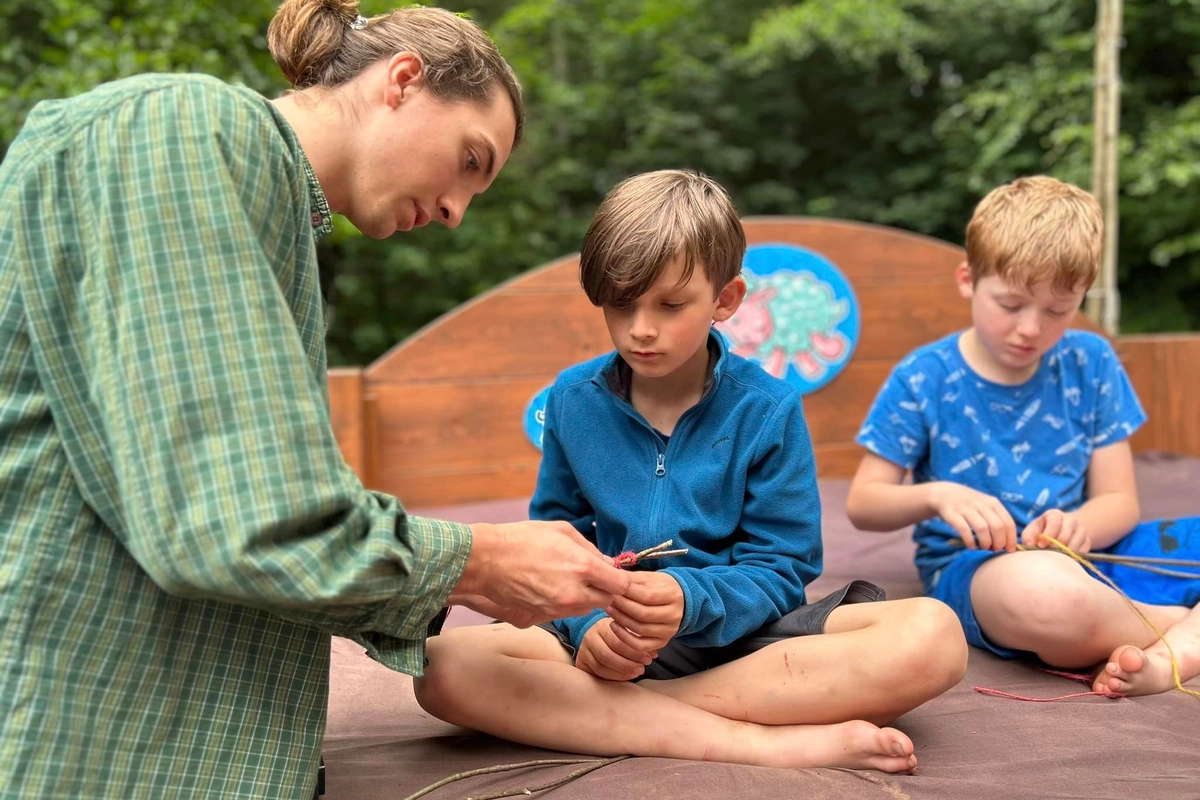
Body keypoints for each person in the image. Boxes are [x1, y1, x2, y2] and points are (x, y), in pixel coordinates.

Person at [0, 1, 630, 797]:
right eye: (470, 161)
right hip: (79, 756)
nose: (455, 213)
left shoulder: (272, 221)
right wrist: (482, 561)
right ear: (403, 81)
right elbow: (242, 518)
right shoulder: (177, 126)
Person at [414, 169, 968, 774]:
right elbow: (555, 545)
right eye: (621, 305)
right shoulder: (573, 399)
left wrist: (688, 599)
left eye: (670, 305)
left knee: (932, 634)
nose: (641, 329)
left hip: (742, 642)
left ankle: (630, 714)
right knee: (439, 668)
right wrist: (594, 623)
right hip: (605, 644)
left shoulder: (768, 408)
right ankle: (756, 738)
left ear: (724, 301)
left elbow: (783, 569)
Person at [846, 175, 1200, 696]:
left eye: (1059, 310)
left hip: (1098, 554)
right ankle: (1174, 629)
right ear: (967, 279)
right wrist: (939, 495)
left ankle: (1171, 654)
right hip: (985, 570)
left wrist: (1079, 525)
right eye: (1011, 305)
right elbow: (863, 504)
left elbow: (1120, 501)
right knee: (1048, 599)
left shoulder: (1092, 361)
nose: (1031, 329)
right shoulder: (923, 377)